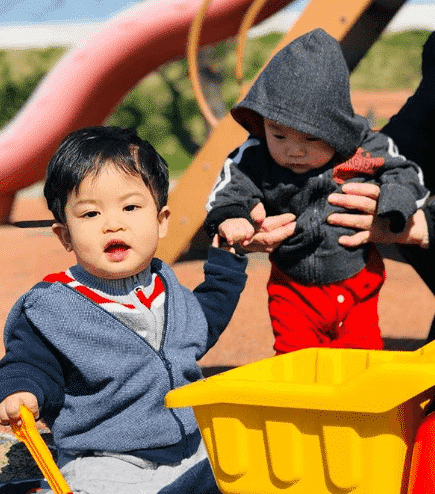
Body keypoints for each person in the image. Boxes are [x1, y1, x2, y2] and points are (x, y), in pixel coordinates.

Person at [0, 126, 249, 494]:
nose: (113, 223)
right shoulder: (52, 307)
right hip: (106, 459)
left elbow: (206, 317)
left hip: (191, 447)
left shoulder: (166, 288)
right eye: (89, 214)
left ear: (162, 221)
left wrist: (228, 258)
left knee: (244, 469)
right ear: (65, 236)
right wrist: (21, 389)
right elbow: (30, 362)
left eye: (131, 207)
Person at [204, 28, 429, 355]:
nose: (293, 151)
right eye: (278, 135)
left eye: (310, 139)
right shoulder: (255, 155)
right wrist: (230, 216)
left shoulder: (363, 149)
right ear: (263, 122)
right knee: (295, 361)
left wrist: (394, 203)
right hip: (293, 288)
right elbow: (229, 186)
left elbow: (404, 171)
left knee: (361, 360)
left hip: (358, 282)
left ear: (337, 129)